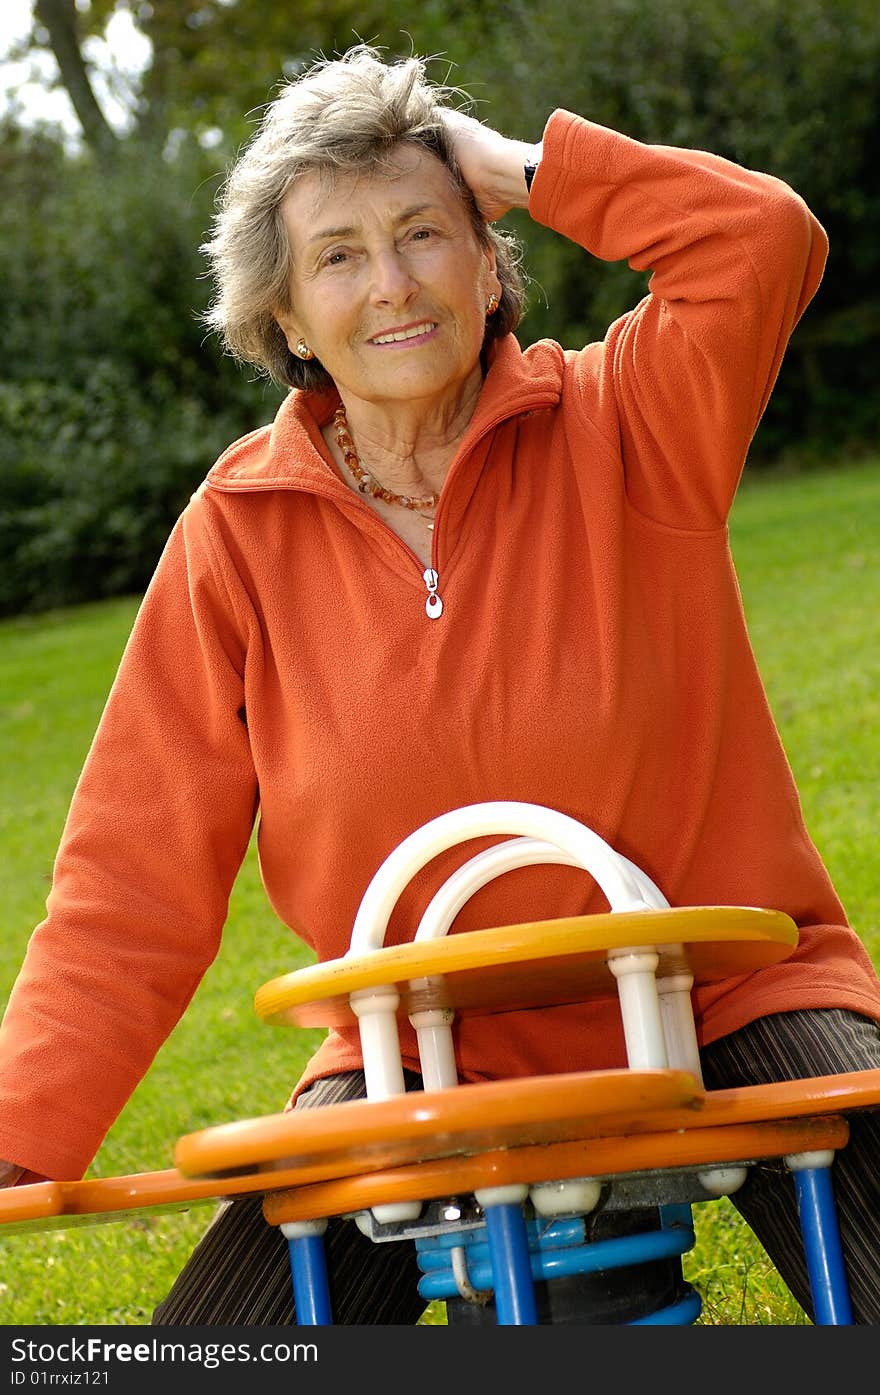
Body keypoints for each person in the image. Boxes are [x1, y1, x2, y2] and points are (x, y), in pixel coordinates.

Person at [1, 43, 879, 1326]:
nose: (394, 283)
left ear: (488, 260)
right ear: (286, 317)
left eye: (425, 232)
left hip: (728, 996)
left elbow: (761, 242)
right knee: (208, 1353)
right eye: (339, 255)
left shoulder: (628, 420)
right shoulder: (237, 532)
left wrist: (514, 164)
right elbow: (130, 881)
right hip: (413, 1043)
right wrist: (22, 1129)